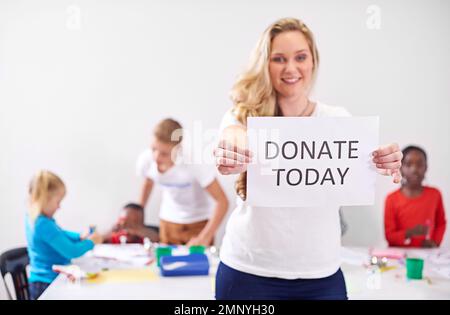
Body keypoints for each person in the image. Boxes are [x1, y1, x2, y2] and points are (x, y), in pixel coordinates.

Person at [213, 17, 403, 300]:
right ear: (266, 65)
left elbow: (364, 160)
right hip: (248, 273)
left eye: (300, 57)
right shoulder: (242, 115)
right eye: (279, 59)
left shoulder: (337, 120)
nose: (291, 68)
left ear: (313, 61)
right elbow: (232, 134)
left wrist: (385, 159)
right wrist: (233, 148)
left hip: (321, 276)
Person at [137, 118, 229, 246]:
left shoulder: (195, 162)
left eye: (164, 154)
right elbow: (148, 182)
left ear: (177, 150)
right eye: (154, 149)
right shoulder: (146, 159)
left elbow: (222, 201)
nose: (156, 157)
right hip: (167, 224)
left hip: (198, 225)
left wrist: (205, 237)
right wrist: (138, 214)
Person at [25, 170, 103, 299]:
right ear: (45, 199)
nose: (59, 207)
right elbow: (71, 251)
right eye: (58, 202)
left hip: (45, 280)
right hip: (47, 283)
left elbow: (59, 234)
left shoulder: (35, 218)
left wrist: (78, 237)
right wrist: (91, 242)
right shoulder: (43, 224)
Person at [384, 145, 446, 247]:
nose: (414, 169)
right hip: (399, 256)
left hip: (428, 256)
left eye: (419, 164)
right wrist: (410, 233)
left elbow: (441, 224)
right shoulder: (391, 199)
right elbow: (389, 236)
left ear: (426, 167)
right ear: (400, 168)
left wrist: (435, 242)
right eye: (408, 164)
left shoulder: (435, 194)